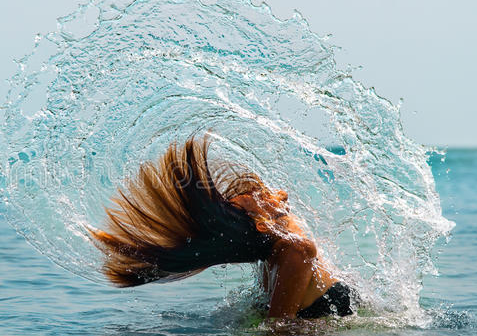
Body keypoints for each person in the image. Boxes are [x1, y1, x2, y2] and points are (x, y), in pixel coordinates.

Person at [88, 134, 354, 319]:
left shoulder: (274, 259)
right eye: (262, 197)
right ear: (262, 225)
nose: (280, 192)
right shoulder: (296, 250)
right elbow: (279, 334)